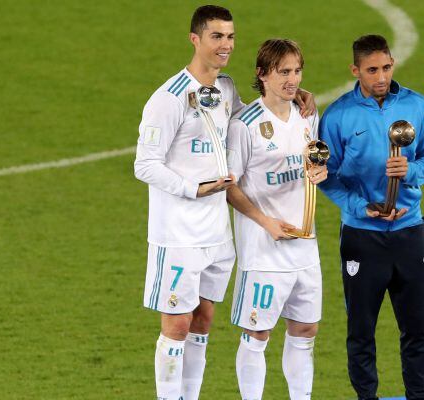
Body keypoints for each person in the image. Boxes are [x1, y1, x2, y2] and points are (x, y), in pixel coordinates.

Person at [133, 6, 315, 400]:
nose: (226, 45)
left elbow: (249, 121)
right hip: (179, 231)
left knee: (203, 321)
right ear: (195, 39)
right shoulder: (168, 98)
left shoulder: (226, 89)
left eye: (230, 37)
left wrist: (293, 95)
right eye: (217, 37)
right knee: (177, 325)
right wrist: (192, 188)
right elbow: (144, 164)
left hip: (217, 231)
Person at [317, 34, 424, 400]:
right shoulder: (338, 115)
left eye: (386, 67)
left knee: (416, 329)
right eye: (372, 70)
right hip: (362, 237)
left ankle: (419, 396)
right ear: (355, 70)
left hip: (409, 231)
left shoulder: (417, 106)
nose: (381, 76)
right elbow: (326, 176)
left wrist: (411, 171)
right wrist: (361, 207)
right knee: (361, 331)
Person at [226, 39, 327, 400]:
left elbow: (314, 161)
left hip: (305, 247)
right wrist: (264, 220)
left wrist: (319, 173)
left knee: (305, 330)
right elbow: (229, 187)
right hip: (264, 251)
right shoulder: (245, 124)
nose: (292, 80)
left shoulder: (306, 115)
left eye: (297, 71)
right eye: (283, 72)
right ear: (262, 74)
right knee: (257, 335)